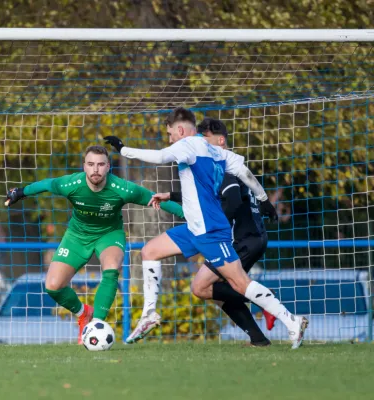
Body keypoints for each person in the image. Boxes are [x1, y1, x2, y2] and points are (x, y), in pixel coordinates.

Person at [105, 107, 308, 349]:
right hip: (195, 226)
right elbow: (245, 173)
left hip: (211, 230)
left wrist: (123, 149)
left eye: (170, 135)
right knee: (150, 251)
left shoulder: (187, 144)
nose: (170, 140)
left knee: (240, 283)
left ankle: (291, 321)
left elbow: (160, 157)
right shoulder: (218, 152)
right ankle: (149, 314)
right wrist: (263, 199)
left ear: (180, 130)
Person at [5, 145, 185, 344]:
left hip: (109, 234)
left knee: (111, 269)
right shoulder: (71, 184)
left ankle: (94, 327)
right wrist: (20, 192)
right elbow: (48, 184)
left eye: (100, 164)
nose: (95, 169)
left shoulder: (123, 189)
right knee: (53, 286)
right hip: (77, 236)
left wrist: (187, 214)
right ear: (84, 167)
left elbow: (154, 199)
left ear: (108, 166)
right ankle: (84, 314)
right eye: (91, 164)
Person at [144, 117, 276, 346]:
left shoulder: (223, 166)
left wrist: (211, 233)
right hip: (249, 238)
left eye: (204, 139)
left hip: (239, 239)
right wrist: (173, 196)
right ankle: (258, 337)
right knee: (210, 289)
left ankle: (268, 305)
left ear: (220, 140)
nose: (200, 144)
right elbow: (211, 196)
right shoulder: (221, 166)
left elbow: (231, 200)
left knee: (206, 287)